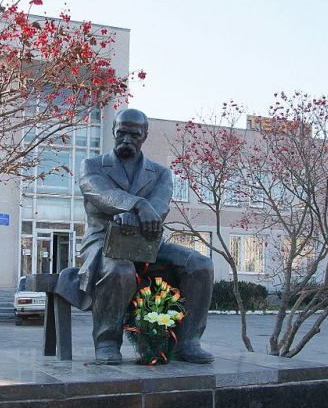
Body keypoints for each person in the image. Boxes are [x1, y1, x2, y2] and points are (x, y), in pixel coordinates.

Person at [56, 109, 214, 365]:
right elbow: (101, 194)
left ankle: (189, 342)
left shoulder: (161, 173)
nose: (126, 139)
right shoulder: (92, 166)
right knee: (120, 270)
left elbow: (160, 206)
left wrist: (141, 212)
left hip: (148, 243)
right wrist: (137, 205)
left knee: (200, 264)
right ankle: (107, 342)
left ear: (144, 136)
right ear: (113, 131)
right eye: (122, 132)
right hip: (103, 243)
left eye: (134, 134)